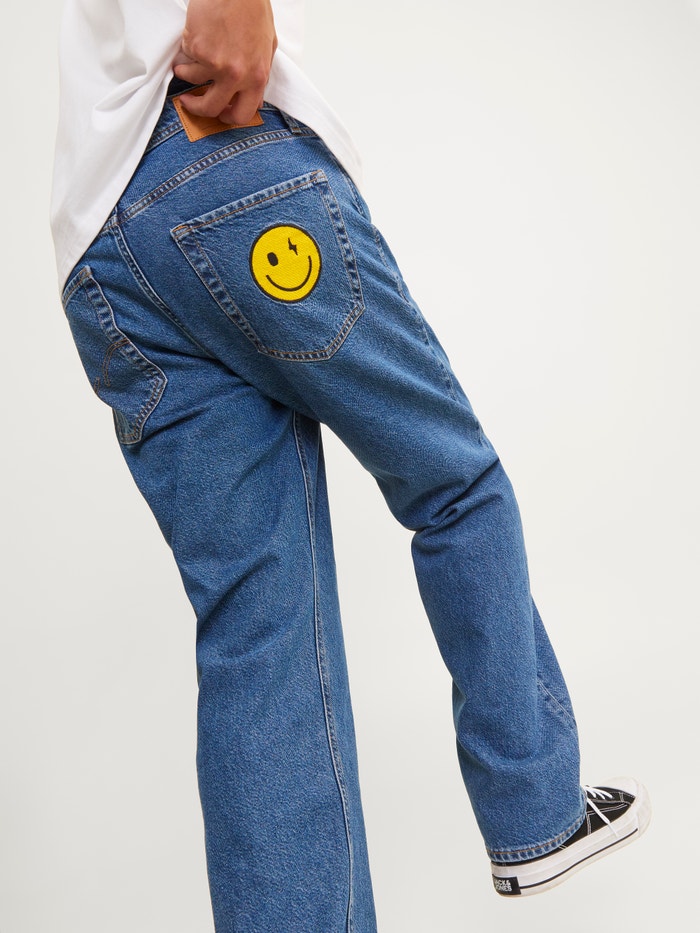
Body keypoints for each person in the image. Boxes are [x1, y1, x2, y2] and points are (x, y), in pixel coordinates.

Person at [51, 0, 651, 928]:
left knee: (260, 625)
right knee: (453, 484)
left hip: (101, 252)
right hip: (224, 166)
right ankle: (535, 808)